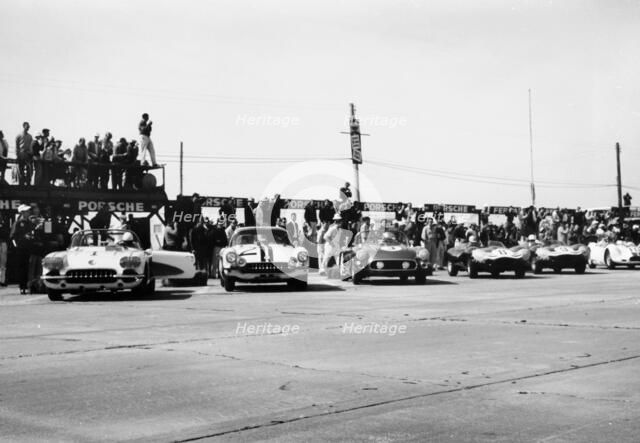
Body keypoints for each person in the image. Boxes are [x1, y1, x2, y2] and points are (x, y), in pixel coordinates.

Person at [11, 204, 34, 294]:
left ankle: (27, 286)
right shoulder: (17, 223)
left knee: (27, 268)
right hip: (20, 249)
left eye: (29, 211)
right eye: (27, 211)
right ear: (22, 212)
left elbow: (32, 233)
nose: (28, 213)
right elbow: (13, 237)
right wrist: (17, 246)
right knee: (21, 268)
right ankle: (22, 287)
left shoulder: (30, 223)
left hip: (28, 248)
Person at [0, 211, 10, 286]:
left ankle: (2, 280)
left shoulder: (4, 225)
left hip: (3, 243)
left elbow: (7, 234)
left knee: (3, 264)